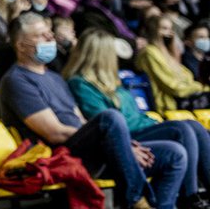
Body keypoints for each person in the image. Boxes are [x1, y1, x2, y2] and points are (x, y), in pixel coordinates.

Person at [0, 12, 186, 209]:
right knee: (110, 117)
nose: (50, 38)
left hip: (90, 149)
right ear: (20, 45)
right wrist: (119, 143)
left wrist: (123, 145)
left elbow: (81, 121)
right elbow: (55, 133)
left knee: (174, 154)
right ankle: (136, 199)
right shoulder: (17, 80)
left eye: (49, 32)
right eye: (40, 35)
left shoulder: (55, 77)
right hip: (59, 154)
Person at [66, 28, 210, 209]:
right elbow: (107, 123)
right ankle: (190, 197)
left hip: (143, 128)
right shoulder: (81, 84)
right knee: (182, 130)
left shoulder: (113, 82)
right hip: (128, 136)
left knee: (194, 126)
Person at [137, 14, 210, 112]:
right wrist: (201, 87)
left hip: (184, 96)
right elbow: (174, 87)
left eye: (170, 29)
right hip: (171, 103)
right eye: (164, 28)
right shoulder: (149, 52)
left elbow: (186, 76)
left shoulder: (167, 53)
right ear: (153, 30)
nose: (170, 33)